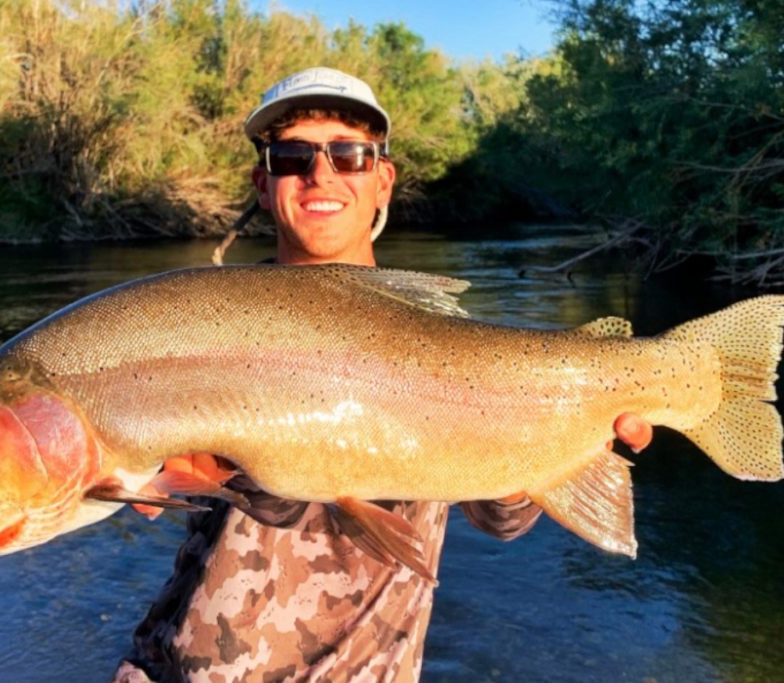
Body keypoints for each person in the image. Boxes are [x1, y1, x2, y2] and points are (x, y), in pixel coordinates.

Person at [114, 67, 540, 683]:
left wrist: (571, 428)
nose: (322, 173)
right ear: (264, 184)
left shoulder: (441, 340)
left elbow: (504, 519)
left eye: (349, 154)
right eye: (292, 156)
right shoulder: (202, 321)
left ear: (383, 180)